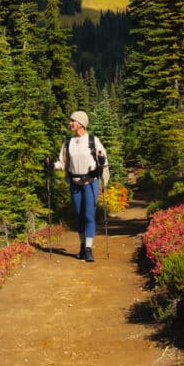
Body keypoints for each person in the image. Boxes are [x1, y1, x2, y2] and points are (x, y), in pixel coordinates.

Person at [54, 110, 109, 262]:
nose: (70, 123)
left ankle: (89, 250)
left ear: (81, 123)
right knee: (79, 216)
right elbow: (63, 163)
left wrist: (102, 162)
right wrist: (52, 165)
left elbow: (103, 159)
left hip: (90, 183)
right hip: (75, 184)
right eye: (70, 120)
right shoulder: (68, 143)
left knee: (89, 216)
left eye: (73, 121)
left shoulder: (93, 140)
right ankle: (83, 246)